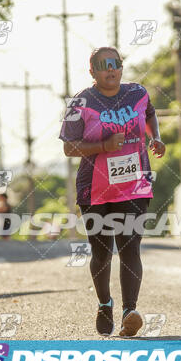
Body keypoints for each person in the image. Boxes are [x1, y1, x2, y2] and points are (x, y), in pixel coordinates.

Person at [59, 47, 166, 337]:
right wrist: (103, 147)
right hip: (95, 190)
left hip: (134, 185)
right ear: (92, 70)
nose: (111, 69)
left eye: (116, 64)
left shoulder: (137, 93)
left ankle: (129, 312)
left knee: (130, 247)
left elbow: (150, 114)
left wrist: (155, 137)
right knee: (102, 251)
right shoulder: (81, 102)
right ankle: (104, 303)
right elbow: (69, 147)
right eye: (104, 65)